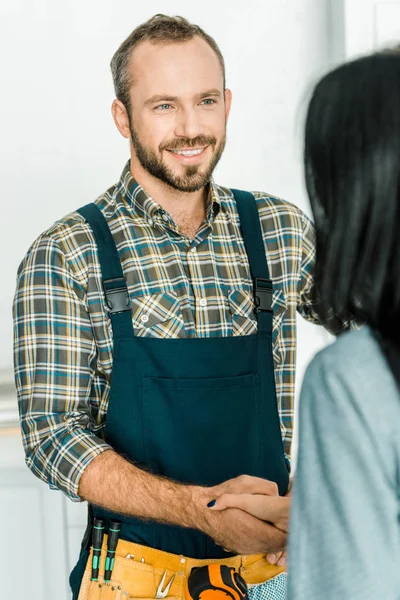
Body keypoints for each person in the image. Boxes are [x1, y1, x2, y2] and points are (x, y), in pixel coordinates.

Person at [12, 14, 338, 600]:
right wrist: (201, 510)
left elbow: (379, 339)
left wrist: (323, 497)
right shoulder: (67, 254)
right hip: (134, 578)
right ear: (122, 116)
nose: (192, 127)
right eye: (164, 106)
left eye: (206, 100)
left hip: (275, 566)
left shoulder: (281, 231)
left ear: (227, 103)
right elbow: (52, 435)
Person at [210, 48, 400, 599]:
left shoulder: (353, 380)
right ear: (122, 116)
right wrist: (312, 512)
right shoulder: (67, 252)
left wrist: (322, 535)